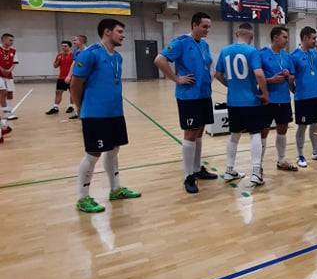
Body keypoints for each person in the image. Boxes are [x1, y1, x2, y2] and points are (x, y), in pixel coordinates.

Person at [70, 18, 141, 213]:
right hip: (95, 114)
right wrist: (80, 107)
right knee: (93, 154)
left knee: (114, 150)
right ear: (107, 32)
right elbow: (75, 84)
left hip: (115, 112)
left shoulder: (117, 57)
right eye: (120, 31)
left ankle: (115, 189)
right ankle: (82, 198)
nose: (123, 35)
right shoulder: (90, 54)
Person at [155, 12, 219, 195]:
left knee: (199, 132)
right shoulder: (181, 42)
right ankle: (188, 176)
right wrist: (176, 78)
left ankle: (197, 169)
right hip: (189, 96)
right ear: (194, 25)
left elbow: (209, 65)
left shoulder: (204, 44)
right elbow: (159, 60)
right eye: (204, 26)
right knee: (190, 133)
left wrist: (211, 75)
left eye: (209, 27)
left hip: (204, 94)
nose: (207, 30)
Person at [214, 22, 269, 187]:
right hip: (251, 100)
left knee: (234, 135)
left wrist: (230, 85)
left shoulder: (225, 51)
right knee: (255, 134)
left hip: (233, 100)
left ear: (237, 34)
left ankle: (229, 170)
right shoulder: (252, 51)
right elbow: (259, 74)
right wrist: (265, 93)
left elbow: (217, 74)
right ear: (251, 36)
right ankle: (256, 173)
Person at [260, 25, 297, 171]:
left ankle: (281, 160)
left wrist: (289, 76)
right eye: (284, 37)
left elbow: (292, 77)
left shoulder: (287, 56)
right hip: (267, 100)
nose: (287, 40)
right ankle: (258, 165)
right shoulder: (262, 54)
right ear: (275, 37)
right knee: (263, 132)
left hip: (284, 99)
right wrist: (270, 80)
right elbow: (256, 77)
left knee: (283, 130)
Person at [291, 25, 317, 167]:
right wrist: (296, 91)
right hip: (302, 98)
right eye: (313, 38)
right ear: (305, 38)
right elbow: (290, 79)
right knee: (302, 127)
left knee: (315, 125)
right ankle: (300, 155)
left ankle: (316, 152)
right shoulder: (294, 56)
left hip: (316, 95)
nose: (315, 41)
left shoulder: (315, 53)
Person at [46, 41, 74, 114]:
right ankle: (55, 108)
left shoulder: (73, 55)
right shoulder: (59, 55)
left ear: (69, 47)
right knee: (58, 92)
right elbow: (55, 66)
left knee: (72, 92)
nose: (63, 47)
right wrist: (58, 60)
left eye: (65, 46)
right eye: (62, 46)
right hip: (61, 77)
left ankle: (71, 106)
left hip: (72, 77)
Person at [0, 33, 18, 132]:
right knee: (3, 92)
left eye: (12, 40)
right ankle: (6, 112)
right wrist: (2, 69)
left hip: (8, 74)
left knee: (10, 92)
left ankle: (9, 111)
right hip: (0, 74)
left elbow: (14, 62)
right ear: (4, 40)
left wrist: (9, 70)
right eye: (10, 40)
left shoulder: (13, 50)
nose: (12, 42)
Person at [67, 34, 88, 118]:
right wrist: (69, 76)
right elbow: (74, 63)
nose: (73, 42)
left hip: (86, 77)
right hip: (78, 76)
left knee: (85, 95)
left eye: (75, 40)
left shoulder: (88, 52)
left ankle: (85, 112)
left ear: (81, 41)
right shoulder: (77, 51)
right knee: (77, 93)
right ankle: (78, 111)